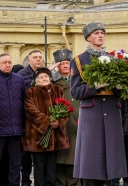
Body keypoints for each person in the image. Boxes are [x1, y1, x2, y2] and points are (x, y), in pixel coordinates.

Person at [70, 21, 127, 185]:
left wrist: (119, 87)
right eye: (96, 33)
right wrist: (94, 87)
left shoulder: (113, 59)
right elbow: (75, 91)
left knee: (110, 155)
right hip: (92, 112)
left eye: (102, 32)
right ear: (88, 37)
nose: (100, 35)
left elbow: (120, 93)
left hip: (111, 110)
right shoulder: (79, 60)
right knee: (91, 157)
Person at [0, 53, 27, 186]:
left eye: (9, 62)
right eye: (4, 63)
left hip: (16, 129)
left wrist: (24, 125)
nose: (7, 65)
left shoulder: (19, 79)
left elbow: (24, 102)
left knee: (15, 162)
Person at [24, 67, 69, 186]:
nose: (44, 79)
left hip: (54, 136)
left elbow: (65, 109)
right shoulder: (31, 91)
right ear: (36, 80)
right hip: (38, 136)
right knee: (39, 167)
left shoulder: (57, 90)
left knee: (52, 168)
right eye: (41, 77)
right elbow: (31, 111)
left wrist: (59, 122)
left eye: (46, 77)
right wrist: (48, 121)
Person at [52, 49, 80, 186]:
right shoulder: (52, 82)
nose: (65, 66)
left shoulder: (78, 81)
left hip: (75, 124)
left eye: (67, 63)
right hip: (58, 125)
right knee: (59, 158)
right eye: (61, 63)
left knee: (74, 156)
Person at [18, 50, 44, 185]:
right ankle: (26, 180)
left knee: (41, 154)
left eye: (40, 57)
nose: (38, 60)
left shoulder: (45, 74)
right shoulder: (21, 76)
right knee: (26, 154)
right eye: (35, 57)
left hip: (43, 120)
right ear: (29, 60)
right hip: (27, 120)